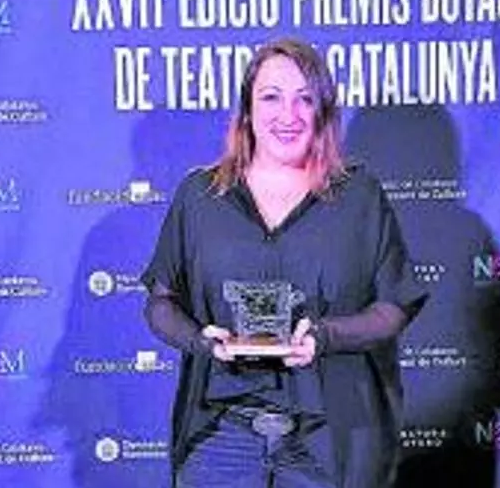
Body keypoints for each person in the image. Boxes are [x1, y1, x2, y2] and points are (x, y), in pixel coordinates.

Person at [140, 36, 429, 488]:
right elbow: (161, 302)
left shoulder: (360, 196)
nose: (288, 115)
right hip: (220, 436)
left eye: (304, 98)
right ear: (247, 109)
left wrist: (325, 337)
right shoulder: (199, 196)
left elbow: (394, 306)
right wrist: (200, 340)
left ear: (323, 110)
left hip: (329, 436)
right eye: (271, 97)